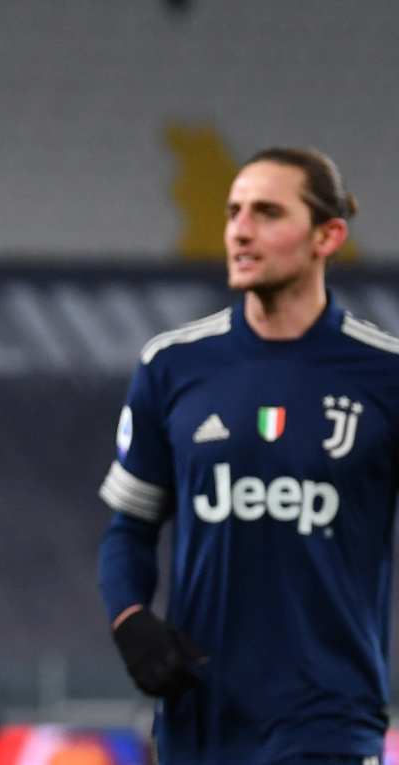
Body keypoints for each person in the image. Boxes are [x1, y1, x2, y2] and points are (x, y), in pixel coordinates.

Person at [97, 147, 394, 764]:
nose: (239, 229)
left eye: (266, 212)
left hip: (331, 725)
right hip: (201, 722)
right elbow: (129, 530)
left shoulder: (385, 375)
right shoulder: (172, 366)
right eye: (234, 212)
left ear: (327, 236)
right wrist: (130, 621)